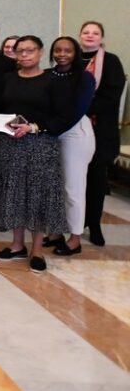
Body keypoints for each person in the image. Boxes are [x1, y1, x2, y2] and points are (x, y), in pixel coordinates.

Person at [0, 36, 70, 274]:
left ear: (41, 52)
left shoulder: (52, 81)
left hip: (40, 146)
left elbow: (62, 116)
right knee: (14, 194)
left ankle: (37, 249)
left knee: (37, 195)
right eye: (20, 51)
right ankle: (16, 245)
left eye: (29, 50)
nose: (25, 55)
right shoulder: (7, 79)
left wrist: (34, 127)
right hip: (10, 145)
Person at [43, 36, 95, 256]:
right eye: (57, 50)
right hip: (49, 133)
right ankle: (55, 232)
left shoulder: (84, 78)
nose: (62, 54)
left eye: (67, 50)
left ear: (75, 53)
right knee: (53, 187)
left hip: (74, 133)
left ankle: (75, 238)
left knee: (73, 189)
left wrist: (47, 127)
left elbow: (76, 110)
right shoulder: (46, 75)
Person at [79, 21, 125, 247]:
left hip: (100, 131)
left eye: (95, 33)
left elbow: (112, 95)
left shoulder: (112, 61)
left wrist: (80, 108)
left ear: (101, 38)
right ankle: (73, 223)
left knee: (96, 180)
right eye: (86, 32)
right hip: (72, 130)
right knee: (74, 180)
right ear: (80, 36)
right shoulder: (72, 58)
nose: (90, 36)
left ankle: (94, 224)